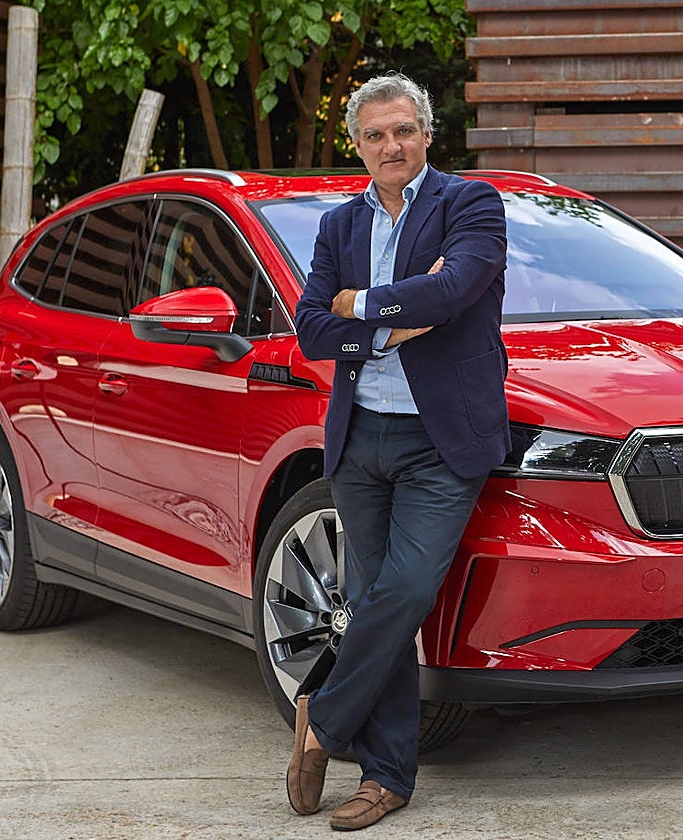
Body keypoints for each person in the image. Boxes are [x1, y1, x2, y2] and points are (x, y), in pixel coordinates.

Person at [289, 73, 510, 830]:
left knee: (406, 591)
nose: (392, 145)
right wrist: (389, 326)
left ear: (427, 134)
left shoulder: (470, 205)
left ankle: (323, 721)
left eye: (404, 130)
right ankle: (384, 780)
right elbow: (312, 329)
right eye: (376, 135)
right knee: (372, 604)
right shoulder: (339, 226)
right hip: (360, 436)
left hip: (439, 439)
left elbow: (453, 293)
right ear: (357, 145)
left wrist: (361, 305)